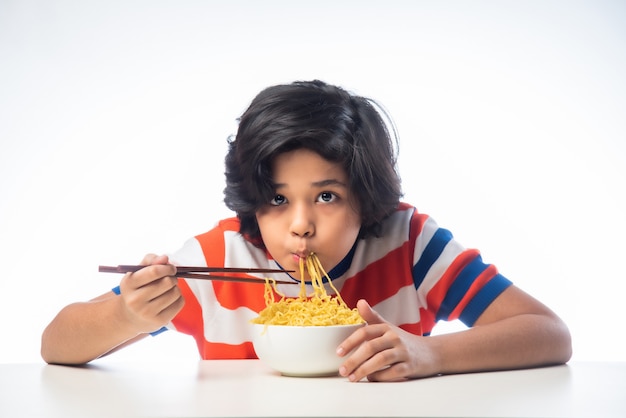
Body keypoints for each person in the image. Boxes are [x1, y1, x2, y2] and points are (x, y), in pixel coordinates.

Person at [41, 80, 572, 382]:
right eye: (276, 199)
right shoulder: (217, 259)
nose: (300, 226)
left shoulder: (408, 245)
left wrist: (430, 355)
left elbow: (548, 333)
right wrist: (124, 313)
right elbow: (56, 346)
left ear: (365, 197)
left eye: (326, 196)